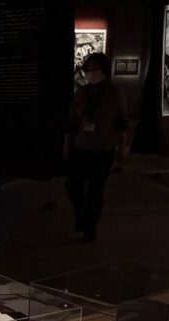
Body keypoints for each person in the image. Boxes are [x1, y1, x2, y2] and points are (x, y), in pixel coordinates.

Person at [64, 52, 128, 243]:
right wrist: (66, 145)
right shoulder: (81, 92)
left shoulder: (114, 93)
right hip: (80, 146)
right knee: (72, 185)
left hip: (102, 149)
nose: (91, 74)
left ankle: (89, 229)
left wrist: (121, 149)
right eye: (88, 70)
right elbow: (71, 121)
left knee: (95, 190)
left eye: (95, 69)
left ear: (104, 71)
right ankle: (81, 215)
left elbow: (122, 122)